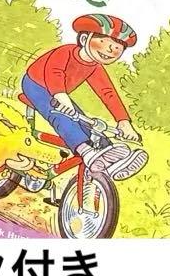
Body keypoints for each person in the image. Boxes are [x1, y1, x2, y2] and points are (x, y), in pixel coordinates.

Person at [22, 14, 145, 189]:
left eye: (118, 48)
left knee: (88, 124)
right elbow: (54, 72)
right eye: (104, 41)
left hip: (59, 93)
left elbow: (108, 93)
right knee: (63, 118)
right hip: (36, 84)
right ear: (84, 39)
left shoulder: (94, 67)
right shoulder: (65, 52)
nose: (111, 50)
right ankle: (86, 151)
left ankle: (110, 157)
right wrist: (60, 96)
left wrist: (124, 122)